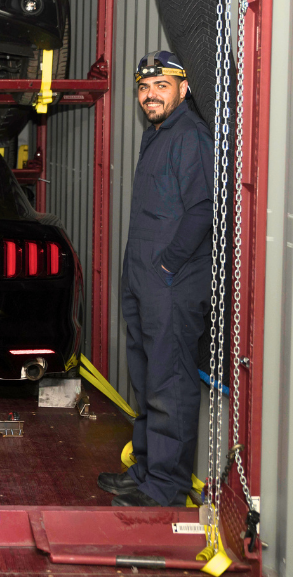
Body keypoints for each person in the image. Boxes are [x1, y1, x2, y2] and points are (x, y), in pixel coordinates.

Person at [98, 50, 214, 507]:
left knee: (170, 383)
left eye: (161, 86)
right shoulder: (158, 134)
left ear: (183, 90)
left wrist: (167, 265)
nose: (150, 95)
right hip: (144, 280)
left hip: (173, 283)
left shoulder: (191, 136)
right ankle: (145, 469)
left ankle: (165, 487)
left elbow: (202, 209)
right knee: (146, 379)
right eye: (144, 88)